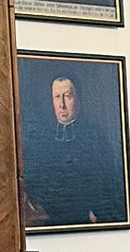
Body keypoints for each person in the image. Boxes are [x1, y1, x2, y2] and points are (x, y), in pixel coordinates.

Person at [25, 74, 122, 227]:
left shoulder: (96, 137)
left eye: (67, 96)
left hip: (86, 219)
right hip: (49, 220)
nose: (62, 105)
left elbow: (107, 184)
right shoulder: (40, 139)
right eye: (57, 97)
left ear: (79, 99)